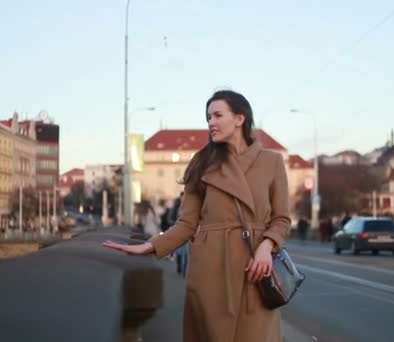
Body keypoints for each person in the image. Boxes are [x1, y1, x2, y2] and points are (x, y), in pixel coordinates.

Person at [104, 90, 290, 342]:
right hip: (210, 270)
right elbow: (187, 223)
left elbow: (281, 219)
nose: (210, 122)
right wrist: (151, 246)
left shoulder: (272, 161)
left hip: (255, 270)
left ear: (239, 118)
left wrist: (267, 246)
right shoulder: (202, 162)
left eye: (217, 115)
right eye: (208, 117)